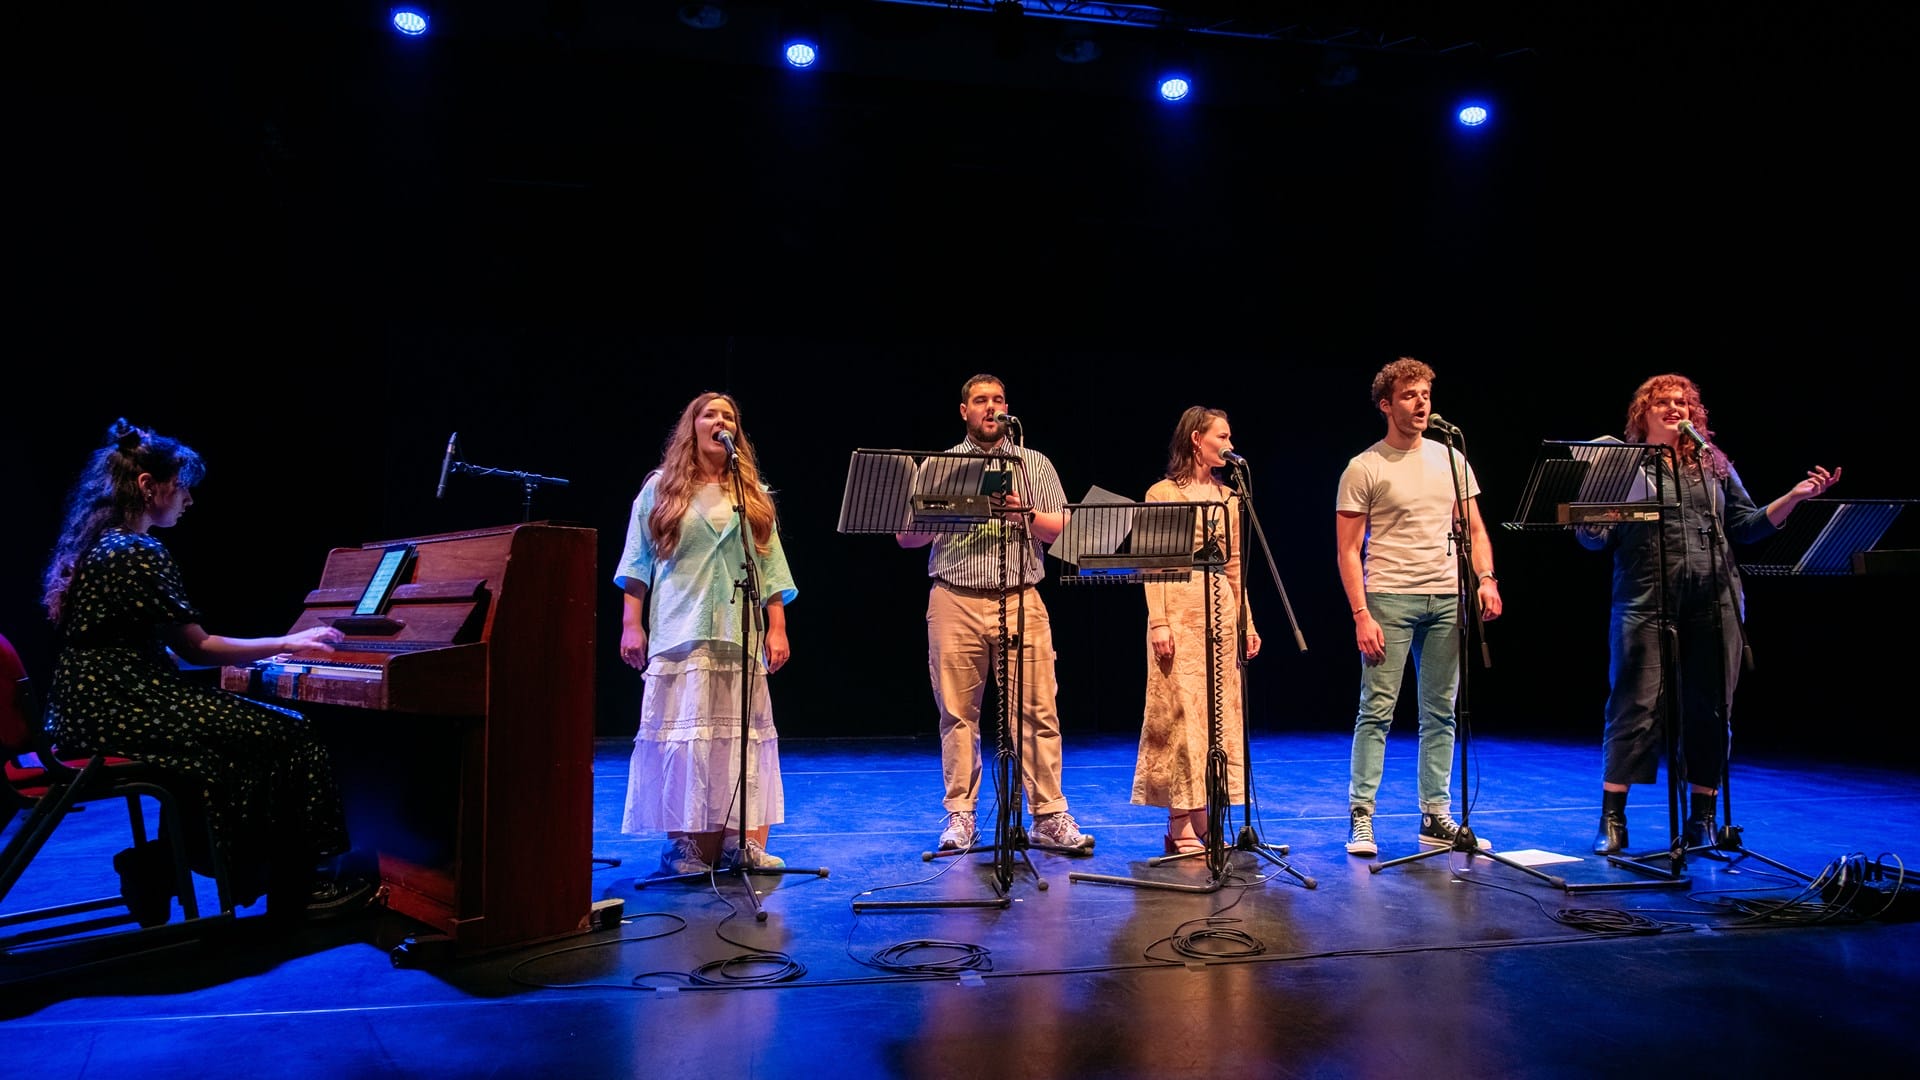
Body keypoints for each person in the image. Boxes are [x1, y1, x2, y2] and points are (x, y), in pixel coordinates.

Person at [39, 418, 372, 924]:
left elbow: (152, 649)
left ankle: (162, 868)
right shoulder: (136, 551)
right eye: (182, 487)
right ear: (148, 486)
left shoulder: (100, 546)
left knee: (228, 750)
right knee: (291, 733)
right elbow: (196, 646)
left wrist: (255, 654)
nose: (189, 500)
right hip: (120, 709)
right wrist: (289, 642)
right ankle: (300, 888)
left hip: (91, 709)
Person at [1577, 374, 1840, 854]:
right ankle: (1612, 818)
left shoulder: (1711, 463)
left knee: (1713, 708)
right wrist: (1594, 519)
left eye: (1683, 402)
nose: (1675, 408)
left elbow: (1746, 525)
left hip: (1714, 598)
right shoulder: (1621, 463)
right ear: (1643, 413)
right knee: (1635, 704)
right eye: (1663, 402)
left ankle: (1703, 818)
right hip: (1645, 597)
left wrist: (1794, 497)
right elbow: (1591, 538)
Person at [896, 374, 1093, 855]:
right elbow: (905, 537)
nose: (991, 407)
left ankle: (1048, 815)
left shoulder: (1033, 462)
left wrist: (1023, 514)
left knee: (1039, 710)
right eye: (981, 400)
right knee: (957, 714)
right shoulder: (941, 465)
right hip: (955, 598)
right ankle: (961, 816)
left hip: (1021, 596)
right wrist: (951, 510)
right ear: (963, 410)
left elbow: (1063, 531)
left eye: (998, 399)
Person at [615, 391, 797, 876]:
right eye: (710, 414)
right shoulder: (661, 488)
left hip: (739, 633)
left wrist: (777, 627)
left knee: (739, 739)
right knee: (684, 741)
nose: (721, 421)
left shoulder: (751, 492)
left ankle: (743, 841)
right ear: (692, 427)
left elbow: (771, 568)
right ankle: (682, 846)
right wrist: (632, 624)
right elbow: (636, 564)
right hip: (681, 630)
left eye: (729, 416)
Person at [1336, 357, 1503, 858]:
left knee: (1441, 713)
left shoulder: (1451, 459)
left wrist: (1486, 579)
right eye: (1409, 395)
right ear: (1386, 405)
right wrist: (1361, 613)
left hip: (1448, 598)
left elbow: (1475, 528)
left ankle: (1435, 815)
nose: (1421, 403)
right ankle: (1362, 816)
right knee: (1376, 711)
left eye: (1425, 394)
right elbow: (1348, 549)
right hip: (1389, 597)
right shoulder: (1365, 467)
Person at [1132, 407, 1261, 854]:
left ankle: (1203, 810)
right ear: (1195, 439)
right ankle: (1178, 820)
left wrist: (1246, 621)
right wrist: (1159, 621)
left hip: (1219, 609)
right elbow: (1153, 565)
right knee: (1181, 716)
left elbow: (1235, 566)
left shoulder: (1230, 498)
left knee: (1217, 715)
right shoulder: (1162, 494)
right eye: (1221, 436)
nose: (1229, 444)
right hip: (1179, 607)